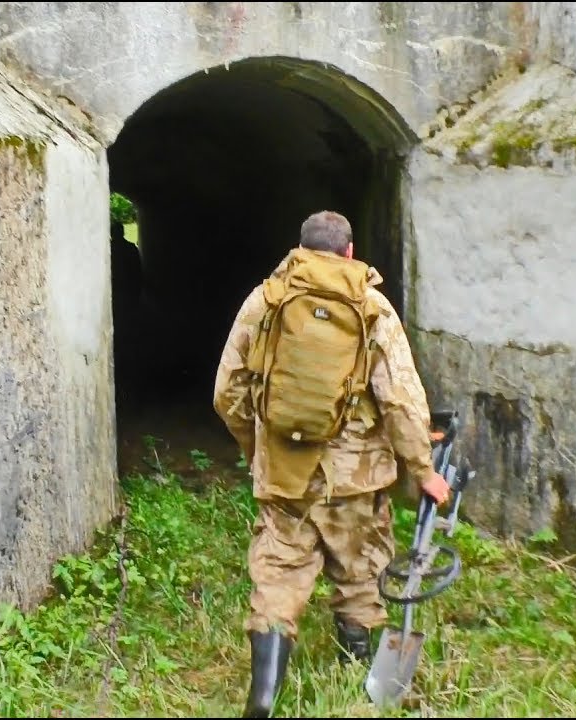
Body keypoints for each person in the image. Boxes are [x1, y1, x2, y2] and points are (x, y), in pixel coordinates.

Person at [212, 210, 451, 718]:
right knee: (361, 567)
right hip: (356, 476)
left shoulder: (267, 299)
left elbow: (227, 390)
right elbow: (400, 400)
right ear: (348, 251)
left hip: (285, 470)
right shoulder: (372, 305)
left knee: (278, 571)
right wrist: (424, 470)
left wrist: (257, 450)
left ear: (300, 248)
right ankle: (354, 670)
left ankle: (265, 693)